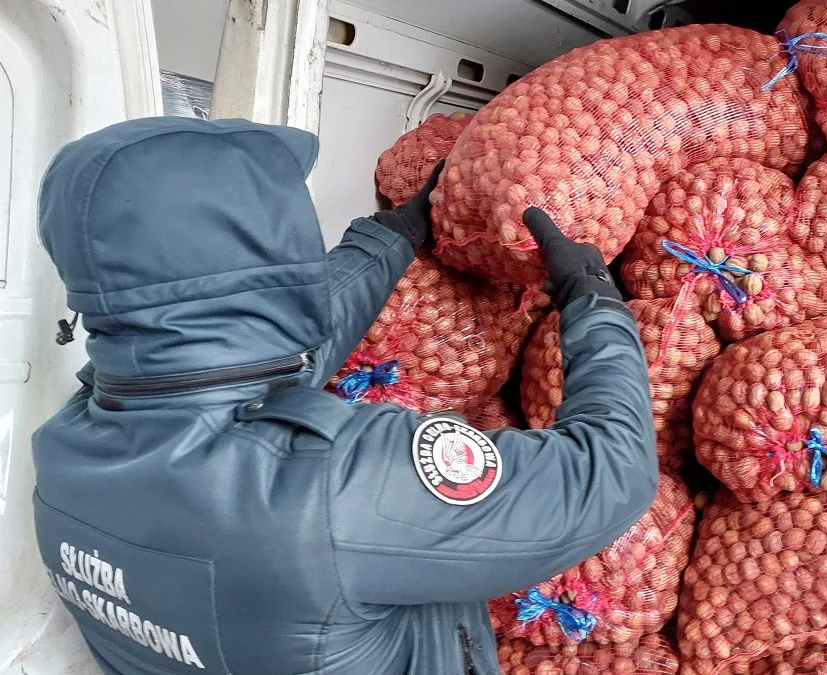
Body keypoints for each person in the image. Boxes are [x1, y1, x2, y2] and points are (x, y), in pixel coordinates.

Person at [32, 116, 658, 675]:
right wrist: (595, 302)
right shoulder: (329, 489)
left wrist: (391, 237)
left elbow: (234, 353)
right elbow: (607, 475)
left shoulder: (66, 447)